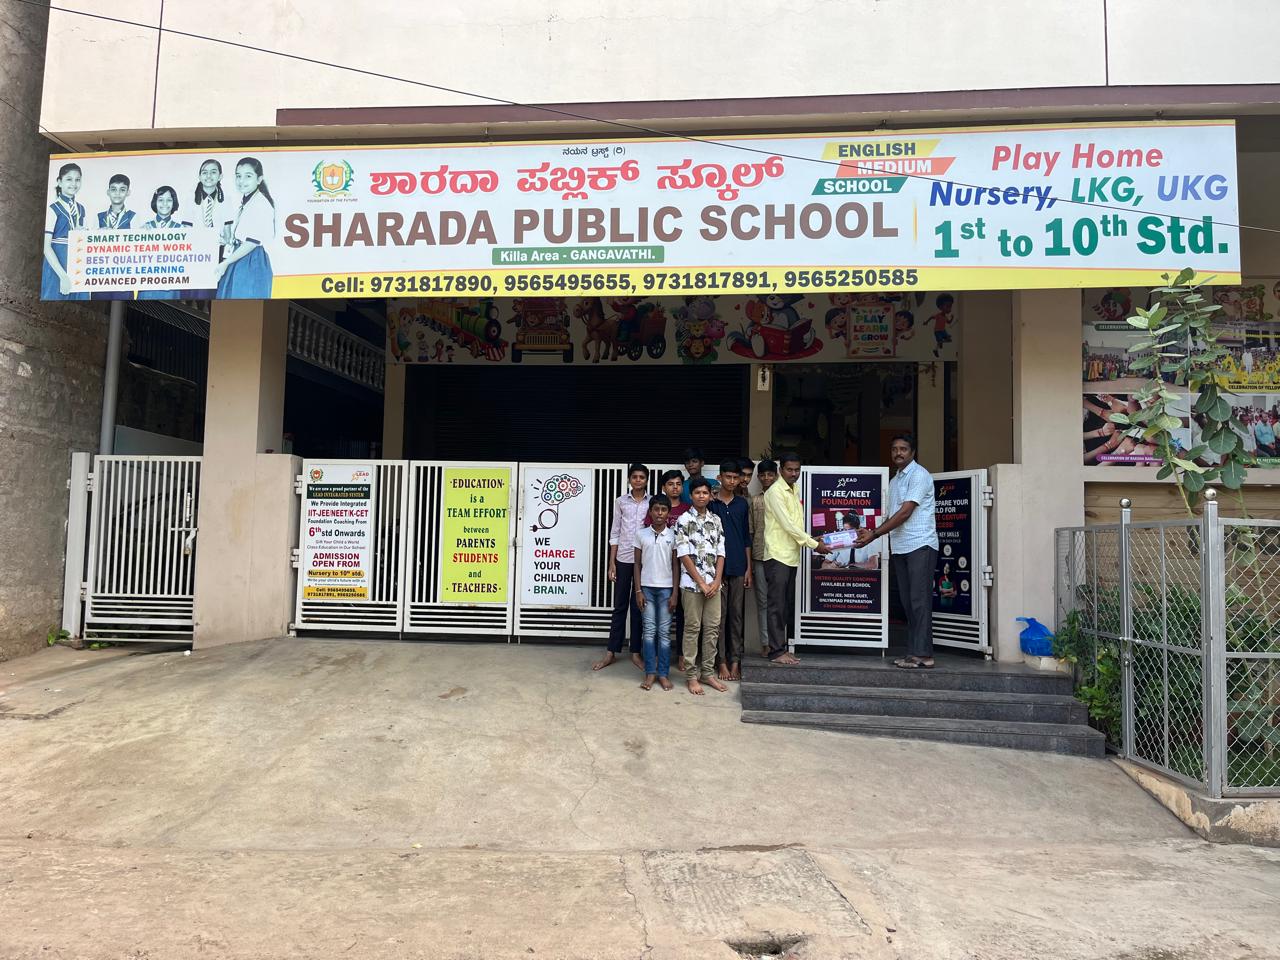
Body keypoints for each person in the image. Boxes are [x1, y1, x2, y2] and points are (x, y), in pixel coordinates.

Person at [855, 433, 939, 669]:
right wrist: (868, 531)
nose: (898, 453)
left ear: (913, 452)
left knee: (918, 600)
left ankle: (923, 654)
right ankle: (913, 652)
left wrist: (875, 534)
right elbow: (891, 515)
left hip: (920, 544)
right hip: (901, 547)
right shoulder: (895, 481)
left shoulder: (919, 475)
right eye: (894, 449)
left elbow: (905, 512)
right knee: (908, 601)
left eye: (903, 449)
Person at [762, 453, 832, 664]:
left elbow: (796, 526)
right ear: (781, 470)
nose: (794, 473)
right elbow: (789, 526)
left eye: (797, 470)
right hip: (777, 555)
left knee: (785, 605)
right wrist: (813, 544)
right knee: (776, 605)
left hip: (791, 556)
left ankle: (780, 648)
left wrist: (812, 538)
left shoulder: (794, 490)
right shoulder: (775, 492)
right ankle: (776, 652)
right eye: (789, 469)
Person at [593, 463, 649, 671]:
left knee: (638, 607)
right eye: (634, 477)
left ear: (646, 480)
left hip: (644, 562)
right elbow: (615, 532)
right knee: (619, 607)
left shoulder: (652, 503)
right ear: (629, 480)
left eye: (641, 477)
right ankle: (611, 651)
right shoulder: (620, 502)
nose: (637, 480)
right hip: (623, 559)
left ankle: (636, 652)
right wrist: (611, 563)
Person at [675, 478, 727, 695]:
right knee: (692, 628)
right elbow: (683, 553)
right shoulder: (683, 519)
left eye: (705, 492)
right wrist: (701, 583)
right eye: (697, 492)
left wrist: (715, 582)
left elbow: (721, 551)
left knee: (713, 628)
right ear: (691, 495)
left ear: (710, 495)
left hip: (714, 585)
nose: (702, 496)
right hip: (691, 585)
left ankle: (707, 673)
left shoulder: (715, 520)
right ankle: (691, 676)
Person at [708, 460, 752, 681]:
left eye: (736, 477)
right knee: (719, 618)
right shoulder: (711, 503)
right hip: (716, 570)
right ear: (720, 478)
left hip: (737, 567)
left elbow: (746, 537)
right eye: (728, 477)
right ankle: (721, 662)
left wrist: (749, 569)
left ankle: (735, 661)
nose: (733, 481)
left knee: (736, 616)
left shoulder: (743, 504)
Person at [633, 494, 679, 691]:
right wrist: (638, 591)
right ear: (650, 512)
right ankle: (650, 673)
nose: (659, 513)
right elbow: (636, 564)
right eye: (656, 509)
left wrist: (675, 593)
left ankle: (663, 674)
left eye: (663, 510)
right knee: (649, 632)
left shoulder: (673, 535)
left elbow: (676, 566)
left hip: (667, 589)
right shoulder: (641, 534)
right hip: (647, 589)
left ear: (668, 513)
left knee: (664, 634)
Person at [215, 157, 275, 298]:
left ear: (259, 179)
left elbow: (252, 242)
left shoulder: (261, 203)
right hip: (239, 256)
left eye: (248, 176)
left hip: (251, 260)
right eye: (238, 176)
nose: (241, 181)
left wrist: (226, 262)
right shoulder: (246, 200)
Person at [41, 163, 90, 301]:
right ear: (59, 182)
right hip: (58, 264)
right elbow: (46, 247)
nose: (74, 184)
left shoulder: (81, 209)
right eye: (69, 179)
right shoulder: (53, 209)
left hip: (77, 263)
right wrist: (63, 276)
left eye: (77, 179)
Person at [138, 186, 193, 300]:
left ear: (174, 203)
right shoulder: (144, 228)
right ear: (155, 202)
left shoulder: (181, 229)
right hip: (148, 283)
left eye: (169, 200)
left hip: (170, 285)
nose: (164, 204)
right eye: (161, 200)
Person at [748, 458, 777, 657]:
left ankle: (779, 643)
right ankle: (766, 643)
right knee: (763, 601)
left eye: (770, 474)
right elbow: (750, 531)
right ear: (758, 477)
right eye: (763, 474)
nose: (766, 478)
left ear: (776, 476)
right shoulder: (755, 500)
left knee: (780, 601)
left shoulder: (783, 498)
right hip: (759, 555)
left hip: (779, 555)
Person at [191, 158, 231, 299]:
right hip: (196, 252)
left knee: (214, 290)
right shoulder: (191, 198)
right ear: (199, 176)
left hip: (217, 252)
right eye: (205, 172)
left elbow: (228, 230)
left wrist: (225, 240)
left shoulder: (227, 199)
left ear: (220, 176)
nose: (208, 176)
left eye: (213, 172)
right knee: (198, 289)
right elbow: (186, 228)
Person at [93, 174, 137, 301]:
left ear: (128, 192)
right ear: (108, 192)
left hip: (123, 276)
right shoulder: (99, 217)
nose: (117, 193)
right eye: (114, 189)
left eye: (122, 189)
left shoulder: (133, 217)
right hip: (101, 277)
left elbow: (138, 247)